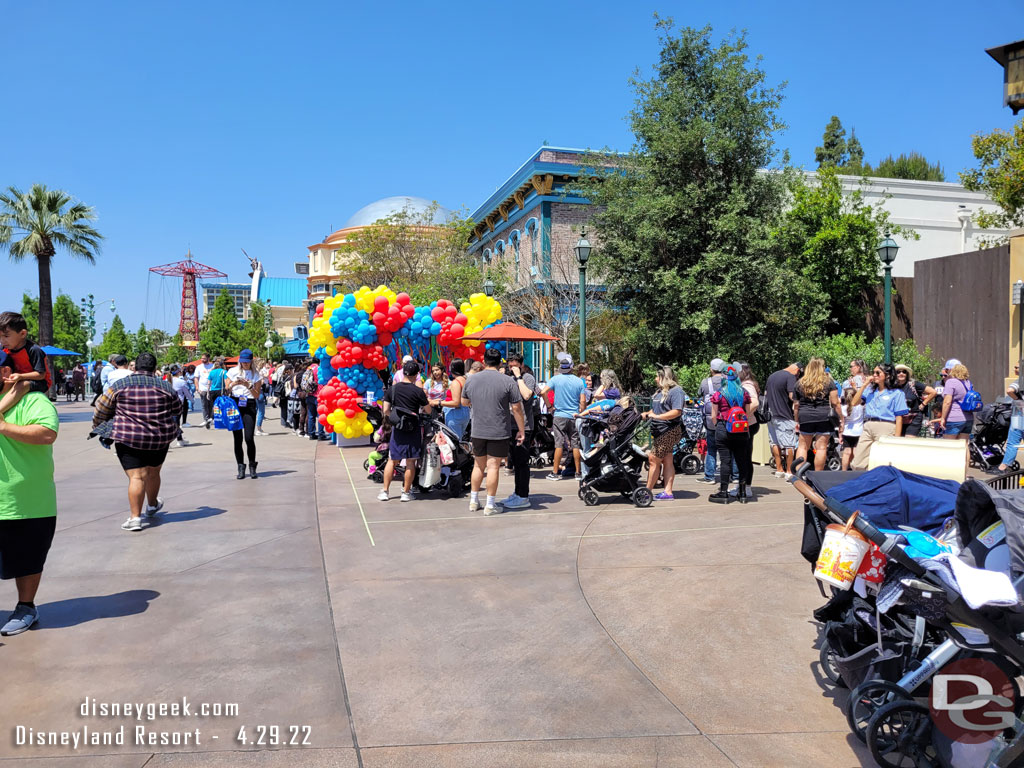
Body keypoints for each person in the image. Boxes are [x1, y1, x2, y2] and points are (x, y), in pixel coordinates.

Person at [0, 349, 59, 635]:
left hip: (27, 501)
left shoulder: (33, 400)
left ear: (4, 373)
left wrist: (3, 426)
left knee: (28, 560)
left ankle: (26, 607)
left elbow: (47, 432)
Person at [93, 353, 180, 531]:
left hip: (128, 438)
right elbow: (177, 408)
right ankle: (153, 505)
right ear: (154, 368)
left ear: (135, 367)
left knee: (137, 477)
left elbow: (101, 408)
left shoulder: (120, 385)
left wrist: (99, 427)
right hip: (159, 438)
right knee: (154, 472)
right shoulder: (165, 386)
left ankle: (135, 519)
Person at [461, 347, 525, 515]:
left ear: (484, 360)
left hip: (478, 429)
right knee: (493, 466)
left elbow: (463, 402)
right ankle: (490, 504)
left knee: (478, 465)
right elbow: (517, 408)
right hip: (498, 430)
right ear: (500, 362)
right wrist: (521, 430)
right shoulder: (507, 381)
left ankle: (474, 501)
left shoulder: (471, 380)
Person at [378, 359, 430, 502]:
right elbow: (428, 409)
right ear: (416, 374)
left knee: (392, 460)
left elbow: (386, 410)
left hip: (398, 429)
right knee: (410, 462)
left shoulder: (392, 389)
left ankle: (385, 491)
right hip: (413, 428)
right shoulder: (418, 391)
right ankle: (406, 493)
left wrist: (396, 418)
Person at [708, 365, 753, 504]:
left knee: (725, 461)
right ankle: (743, 493)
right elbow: (747, 412)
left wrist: (718, 426)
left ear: (724, 377)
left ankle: (723, 492)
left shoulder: (719, 393)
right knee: (742, 460)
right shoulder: (744, 392)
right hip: (741, 430)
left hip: (724, 428)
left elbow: (713, 415)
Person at [850, 363, 908, 469]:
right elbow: (854, 402)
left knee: (883, 461)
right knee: (858, 461)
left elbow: (899, 418)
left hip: (886, 426)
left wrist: (897, 439)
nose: (874, 375)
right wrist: (864, 385)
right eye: (874, 372)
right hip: (868, 425)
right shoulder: (870, 390)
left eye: (878, 373)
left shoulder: (896, 393)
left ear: (888, 375)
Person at [642, 365, 686, 501]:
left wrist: (658, 417)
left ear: (663, 377)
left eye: (657, 376)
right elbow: (656, 411)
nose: (655, 379)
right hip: (659, 431)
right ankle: (668, 492)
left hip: (669, 430)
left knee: (653, 459)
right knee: (667, 460)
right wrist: (647, 414)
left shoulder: (676, 391)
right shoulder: (659, 392)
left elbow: (676, 411)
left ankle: (647, 492)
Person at [540, 356, 585, 481]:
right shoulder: (579, 381)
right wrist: (582, 411)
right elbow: (582, 400)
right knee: (575, 443)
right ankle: (578, 472)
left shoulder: (555, 379)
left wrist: (549, 406)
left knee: (558, 444)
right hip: (574, 415)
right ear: (571, 367)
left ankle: (555, 473)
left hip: (559, 415)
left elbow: (543, 392)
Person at [502, 351, 537, 510]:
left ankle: (523, 496)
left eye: (515, 366)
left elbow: (527, 395)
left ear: (521, 365)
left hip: (525, 426)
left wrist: (519, 377)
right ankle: (517, 492)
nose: (512, 369)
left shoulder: (527, 378)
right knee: (515, 462)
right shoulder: (509, 379)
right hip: (511, 425)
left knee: (522, 463)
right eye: (510, 366)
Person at [792, 358, 840, 472]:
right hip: (824, 416)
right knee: (821, 447)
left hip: (805, 416)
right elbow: (835, 402)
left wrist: (796, 420)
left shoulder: (799, 383)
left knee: (803, 446)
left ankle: (799, 473)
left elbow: (796, 405)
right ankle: (818, 474)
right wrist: (841, 418)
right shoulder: (828, 382)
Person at [0, 311, 51, 417]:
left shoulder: (33, 350)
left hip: (39, 382)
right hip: (16, 378)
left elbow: (41, 374)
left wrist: (21, 376)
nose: (2, 341)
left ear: (22, 334)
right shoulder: (4, 349)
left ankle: (1, 409)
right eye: (0, 337)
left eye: (6, 336)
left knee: (22, 385)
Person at [765, 362, 803, 479]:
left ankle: (779, 469)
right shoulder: (790, 377)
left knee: (775, 442)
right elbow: (792, 397)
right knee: (789, 445)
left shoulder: (772, 376)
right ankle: (789, 471)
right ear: (797, 370)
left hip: (771, 415)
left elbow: (766, 394)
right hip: (785, 416)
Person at [227, 349, 262, 478]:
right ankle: (240, 467)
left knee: (249, 437)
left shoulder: (256, 374)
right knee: (237, 438)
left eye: (247, 362)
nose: (245, 364)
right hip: (235, 404)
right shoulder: (232, 372)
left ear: (251, 361)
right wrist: (233, 384)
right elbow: (226, 389)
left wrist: (249, 386)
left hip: (249, 404)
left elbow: (257, 395)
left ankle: (252, 465)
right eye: (243, 362)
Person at [696, 358, 726, 485]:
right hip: (726, 419)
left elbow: (699, 397)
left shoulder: (705, 382)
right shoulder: (728, 381)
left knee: (711, 449)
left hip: (710, 421)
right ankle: (734, 476)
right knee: (729, 449)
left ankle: (710, 476)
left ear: (711, 369)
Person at [934, 360, 976, 441]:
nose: (946, 372)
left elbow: (947, 402)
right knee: (964, 446)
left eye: (946, 370)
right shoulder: (968, 382)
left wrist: (943, 418)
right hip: (968, 419)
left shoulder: (951, 382)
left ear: (951, 370)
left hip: (954, 419)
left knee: (950, 446)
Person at [736, 362, 761, 495]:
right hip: (750, 424)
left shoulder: (747, 385)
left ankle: (746, 487)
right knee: (745, 455)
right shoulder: (749, 383)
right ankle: (745, 486)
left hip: (748, 424)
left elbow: (755, 402)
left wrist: (742, 416)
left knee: (744, 456)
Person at [894, 364, 936, 438]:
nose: (901, 373)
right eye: (898, 372)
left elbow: (933, 392)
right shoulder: (892, 387)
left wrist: (923, 404)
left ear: (907, 374)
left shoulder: (914, 384)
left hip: (914, 417)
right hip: (899, 418)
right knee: (898, 441)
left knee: (909, 440)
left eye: (904, 372)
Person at [435, 359, 470, 441]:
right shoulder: (465, 380)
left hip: (455, 413)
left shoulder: (456, 382)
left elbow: (456, 402)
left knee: (454, 441)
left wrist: (439, 403)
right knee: (459, 439)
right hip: (465, 412)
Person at [838, 385, 864, 471]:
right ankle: (855, 470)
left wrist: (840, 435)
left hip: (847, 432)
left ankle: (844, 471)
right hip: (859, 432)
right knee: (856, 452)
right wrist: (856, 388)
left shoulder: (843, 408)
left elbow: (842, 422)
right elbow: (860, 397)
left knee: (846, 452)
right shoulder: (860, 406)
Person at [303, 359, 327, 441]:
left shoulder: (308, 368)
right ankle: (321, 434)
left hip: (309, 394)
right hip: (318, 394)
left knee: (311, 415)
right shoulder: (319, 368)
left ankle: (311, 434)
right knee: (320, 415)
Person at [193, 353, 216, 427]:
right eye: (201, 358)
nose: (202, 360)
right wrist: (197, 388)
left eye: (204, 358)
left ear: (208, 358)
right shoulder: (199, 367)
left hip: (212, 388)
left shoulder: (213, 366)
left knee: (211, 405)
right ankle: (205, 419)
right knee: (204, 405)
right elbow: (196, 378)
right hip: (202, 389)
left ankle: (210, 419)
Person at [170, 366, 190, 445]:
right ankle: (177, 440)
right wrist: (192, 400)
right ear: (178, 372)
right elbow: (187, 393)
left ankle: (180, 439)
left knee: (174, 422)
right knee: (175, 423)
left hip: (168, 403)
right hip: (178, 404)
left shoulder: (166, 380)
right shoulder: (181, 381)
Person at [255, 359, 271, 436]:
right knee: (261, 411)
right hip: (259, 392)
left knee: (254, 411)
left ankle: (253, 428)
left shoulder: (252, 371)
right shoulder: (259, 372)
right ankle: (259, 428)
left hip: (252, 393)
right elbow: (261, 382)